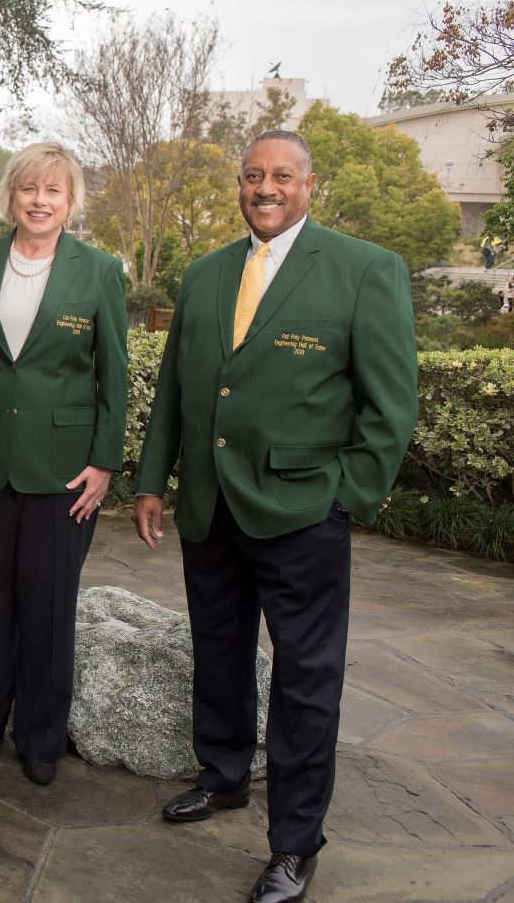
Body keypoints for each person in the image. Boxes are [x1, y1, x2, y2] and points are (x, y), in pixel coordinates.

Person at [133, 130, 418, 903]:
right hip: (210, 505)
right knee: (219, 652)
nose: (266, 187)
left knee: (305, 683)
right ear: (240, 184)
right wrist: (153, 481)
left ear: (309, 185)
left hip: (302, 512)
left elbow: (392, 406)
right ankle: (223, 776)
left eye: (282, 176)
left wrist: (344, 498)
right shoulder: (205, 274)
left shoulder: (365, 270)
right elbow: (177, 391)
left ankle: (296, 842)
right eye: (254, 175)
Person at [0, 141, 127, 786]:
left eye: (54, 192)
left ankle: (40, 733)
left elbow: (114, 376)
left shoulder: (98, 270)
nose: (40, 202)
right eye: (29, 190)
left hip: (62, 469)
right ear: (10, 196)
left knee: (48, 606)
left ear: (70, 202)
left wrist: (104, 462)